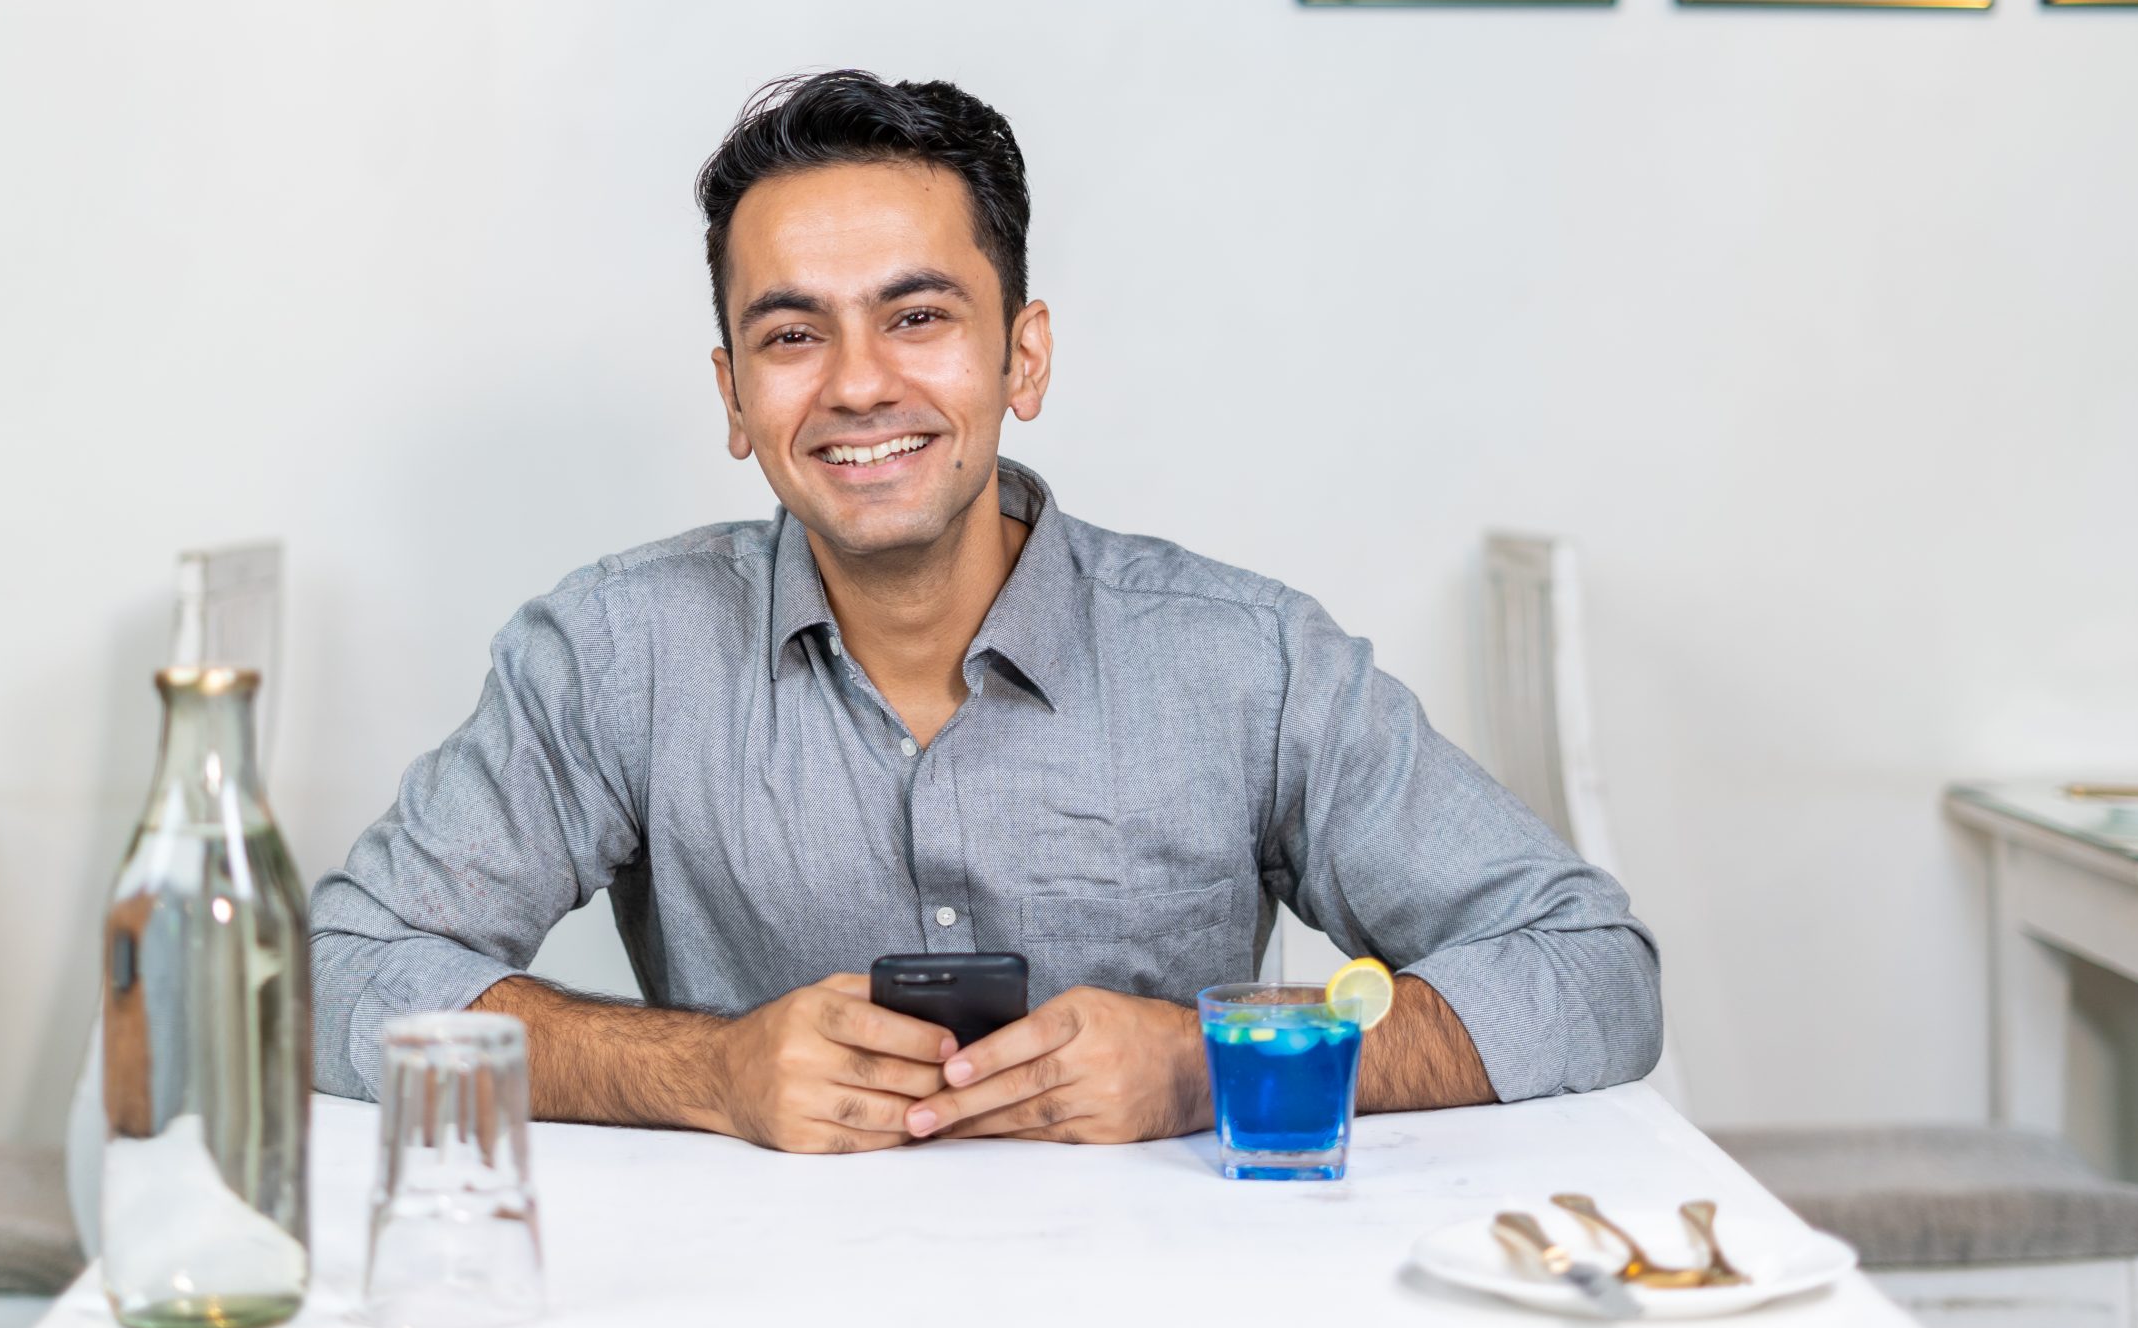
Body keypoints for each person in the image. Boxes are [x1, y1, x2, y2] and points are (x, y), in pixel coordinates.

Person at [309, 70, 1661, 1154]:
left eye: (918, 317)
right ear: (733, 398)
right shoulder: (613, 655)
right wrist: (706, 1068)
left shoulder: (1251, 662)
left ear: (1024, 355)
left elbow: (1593, 971)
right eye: (791, 335)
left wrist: (1208, 1063)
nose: (855, 384)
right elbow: (335, 970)